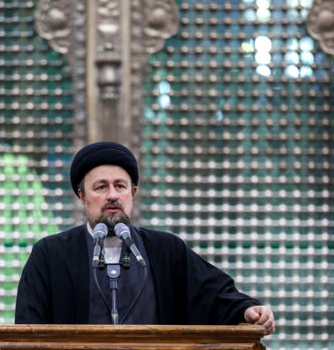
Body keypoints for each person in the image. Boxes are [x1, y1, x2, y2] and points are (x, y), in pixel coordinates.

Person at [15, 141, 275, 334]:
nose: (112, 195)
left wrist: (247, 310)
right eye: (101, 187)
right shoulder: (51, 255)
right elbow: (28, 330)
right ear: (82, 196)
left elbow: (214, 297)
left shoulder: (166, 250)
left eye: (120, 186)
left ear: (133, 193)